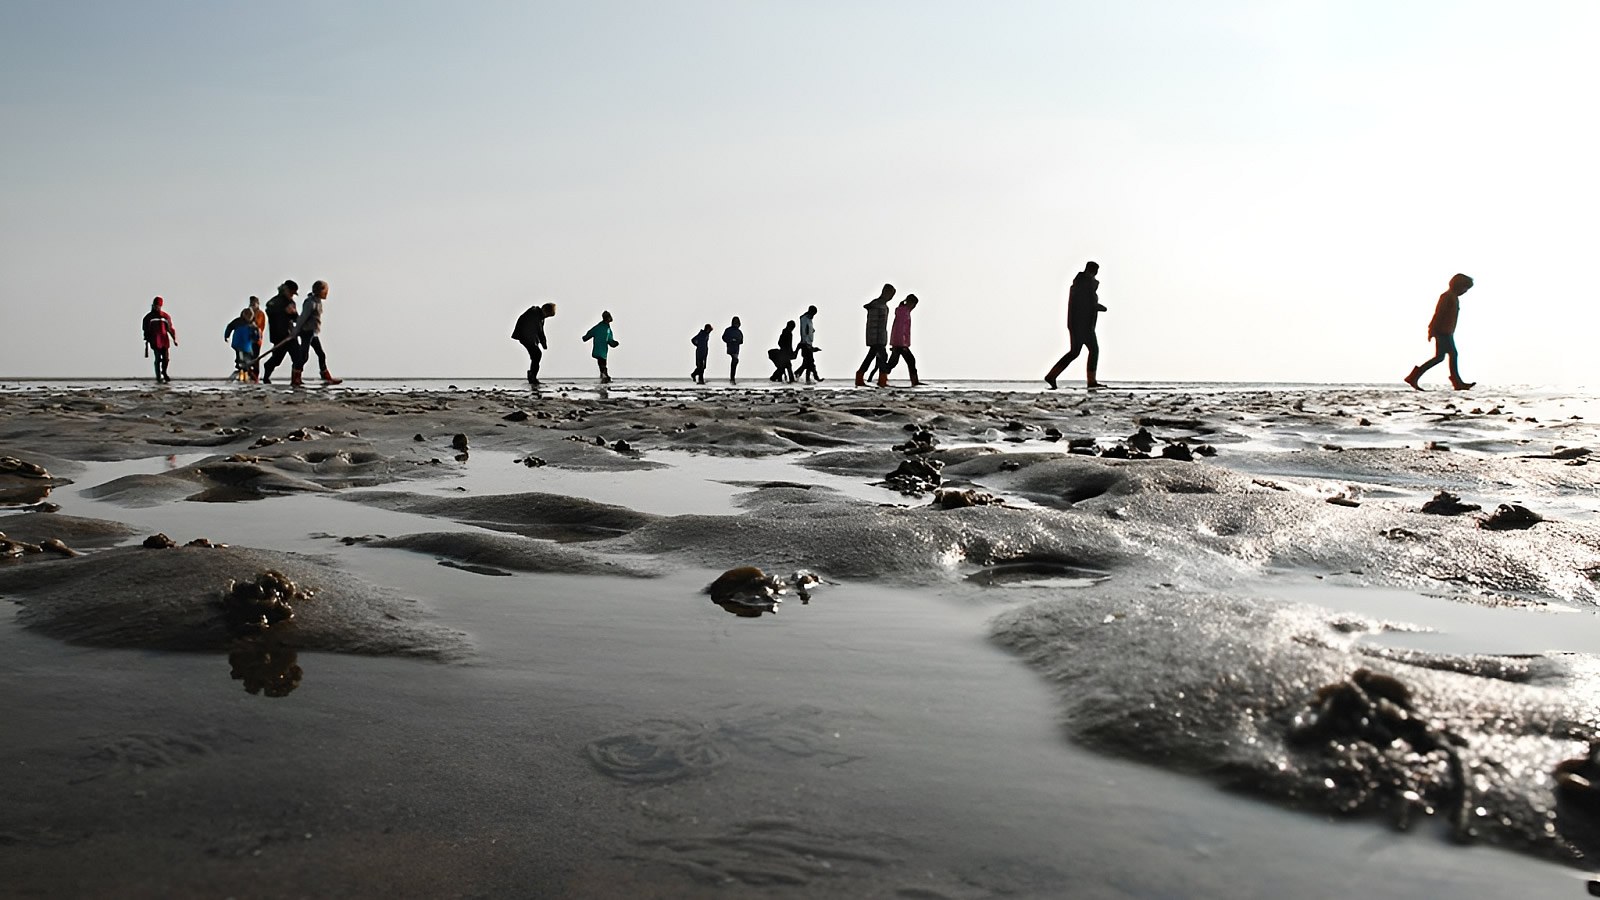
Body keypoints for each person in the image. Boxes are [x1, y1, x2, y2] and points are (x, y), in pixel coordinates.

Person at [1405, 274, 1476, 391]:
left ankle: (1415, 376)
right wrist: (1432, 329)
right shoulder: (1447, 296)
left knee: (1445, 356)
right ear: (1458, 286)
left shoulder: (1453, 297)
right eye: (1465, 288)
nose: (1465, 292)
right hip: (1442, 332)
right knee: (1447, 355)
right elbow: (1438, 314)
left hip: (1448, 332)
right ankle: (1415, 376)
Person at [1044, 262, 1106, 389]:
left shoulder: (1080, 284)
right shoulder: (1085, 284)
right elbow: (1085, 304)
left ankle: (1052, 375)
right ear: (1092, 271)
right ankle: (1091, 381)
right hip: (1083, 325)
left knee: (1074, 352)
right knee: (1093, 350)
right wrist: (1097, 307)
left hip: (1077, 324)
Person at [285, 280, 342, 386]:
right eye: (325, 291)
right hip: (307, 332)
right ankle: (296, 377)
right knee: (304, 356)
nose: (327, 293)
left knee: (321, 354)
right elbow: (302, 318)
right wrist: (295, 331)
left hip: (313, 332)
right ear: (319, 290)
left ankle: (325, 376)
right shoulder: (310, 302)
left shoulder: (318, 302)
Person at [260, 281, 299, 384]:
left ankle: (296, 380)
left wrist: (294, 314)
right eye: (291, 292)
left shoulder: (291, 303)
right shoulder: (274, 302)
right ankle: (266, 375)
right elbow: (269, 309)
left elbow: (296, 318)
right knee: (277, 359)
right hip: (279, 335)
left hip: (290, 335)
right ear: (285, 290)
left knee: (298, 357)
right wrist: (283, 311)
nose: (292, 295)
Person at [855, 284, 893, 387]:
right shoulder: (879, 306)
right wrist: (879, 339)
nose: (891, 297)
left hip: (877, 337)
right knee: (882, 357)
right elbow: (877, 324)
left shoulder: (879, 305)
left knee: (872, 357)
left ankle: (861, 376)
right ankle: (882, 380)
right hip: (877, 337)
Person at [511, 301, 556, 386]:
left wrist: (543, 342)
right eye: (548, 315)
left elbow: (541, 331)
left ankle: (532, 375)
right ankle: (532, 376)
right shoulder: (534, 312)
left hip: (530, 337)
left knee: (536, 355)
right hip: (525, 336)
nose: (546, 317)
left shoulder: (540, 316)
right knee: (537, 354)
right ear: (545, 310)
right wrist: (542, 342)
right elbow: (539, 329)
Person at [882, 294, 922, 386]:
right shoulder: (903, 312)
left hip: (899, 342)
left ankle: (882, 377)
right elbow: (900, 329)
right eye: (914, 305)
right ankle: (914, 381)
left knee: (893, 362)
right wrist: (902, 344)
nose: (914, 307)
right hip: (900, 343)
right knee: (910, 360)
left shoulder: (903, 311)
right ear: (910, 303)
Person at [141, 297, 178, 383]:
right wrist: (147, 339)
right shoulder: (148, 318)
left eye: (158, 306)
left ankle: (164, 372)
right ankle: (158, 377)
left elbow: (170, 329)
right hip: (154, 340)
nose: (157, 307)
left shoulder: (165, 316)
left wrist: (174, 339)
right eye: (155, 305)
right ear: (153, 305)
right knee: (157, 358)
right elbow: (145, 329)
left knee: (166, 358)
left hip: (164, 340)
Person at [224, 306, 261, 382]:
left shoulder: (253, 325)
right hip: (238, 345)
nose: (248, 317)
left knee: (248, 360)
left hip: (247, 346)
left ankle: (246, 372)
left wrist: (256, 336)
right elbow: (230, 327)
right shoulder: (238, 322)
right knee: (241, 359)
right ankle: (241, 369)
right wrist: (226, 336)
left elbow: (256, 336)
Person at [581, 310, 618, 383]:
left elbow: (609, 340)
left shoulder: (606, 329)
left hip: (602, 350)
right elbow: (591, 333)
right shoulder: (602, 328)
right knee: (602, 363)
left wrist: (614, 343)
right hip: (600, 350)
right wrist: (585, 337)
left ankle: (603, 377)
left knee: (602, 363)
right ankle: (604, 376)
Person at [796, 305, 822, 384]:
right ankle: (815, 377)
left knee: (806, 364)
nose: (813, 316)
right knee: (810, 362)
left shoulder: (809, 320)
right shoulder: (805, 319)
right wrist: (807, 344)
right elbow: (805, 332)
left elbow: (809, 330)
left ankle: (803, 377)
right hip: (805, 344)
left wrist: (812, 331)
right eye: (813, 314)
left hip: (809, 343)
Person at [246, 296, 266, 382]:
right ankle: (248, 373)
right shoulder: (247, 312)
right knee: (246, 357)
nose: (252, 306)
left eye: (254, 304)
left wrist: (252, 321)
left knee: (255, 357)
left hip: (256, 339)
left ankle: (256, 375)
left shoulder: (260, 314)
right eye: (251, 304)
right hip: (247, 339)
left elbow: (258, 325)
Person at [722, 316, 744, 383]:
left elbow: (741, 341)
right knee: (735, 361)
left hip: (735, 348)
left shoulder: (737, 331)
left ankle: (732, 378)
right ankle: (732, 378)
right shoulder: (733, 331)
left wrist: (735, 341)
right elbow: (724, 338)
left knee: (735, 361)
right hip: (732, 348)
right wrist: (731, 340)